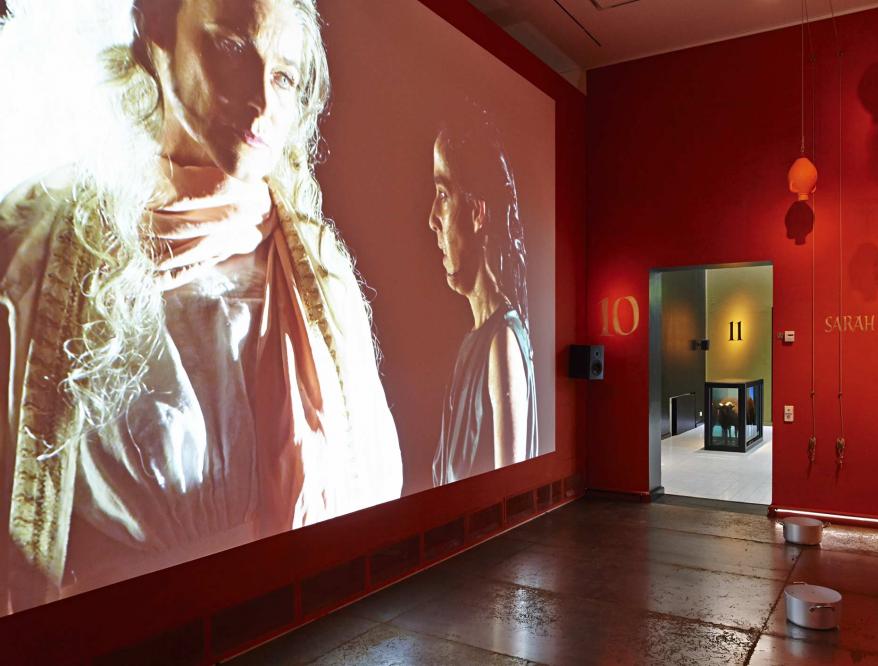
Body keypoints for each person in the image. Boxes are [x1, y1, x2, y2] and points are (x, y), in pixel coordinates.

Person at [0, 0, 401, 614]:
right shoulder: (37, 242)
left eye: (285, 76)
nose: (265, 103)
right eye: (235, 49)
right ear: (156, 28)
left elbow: (372, 482)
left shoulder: (320, 271)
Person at [428, 106, 538, 486]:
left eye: (443, 193)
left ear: (476, 213)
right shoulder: (477, 340)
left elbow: (511, 490)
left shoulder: (502, 342)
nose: (432, 218)